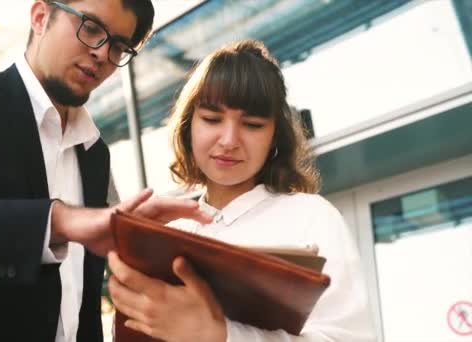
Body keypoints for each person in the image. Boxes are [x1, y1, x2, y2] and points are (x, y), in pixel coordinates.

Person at [0, 1, 213, 342]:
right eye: (91, 28)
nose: (103, 54)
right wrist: (58, 221)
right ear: (40, 16)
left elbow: (80, 303)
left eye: (119, 47)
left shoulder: (94, 155)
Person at [107, 39, 376, 341]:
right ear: (187, 126)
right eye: (211, 119)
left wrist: (221, 335)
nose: (229, 140)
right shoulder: (171, 229)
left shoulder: (312, 216)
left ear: (275, 136)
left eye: (252, 124)